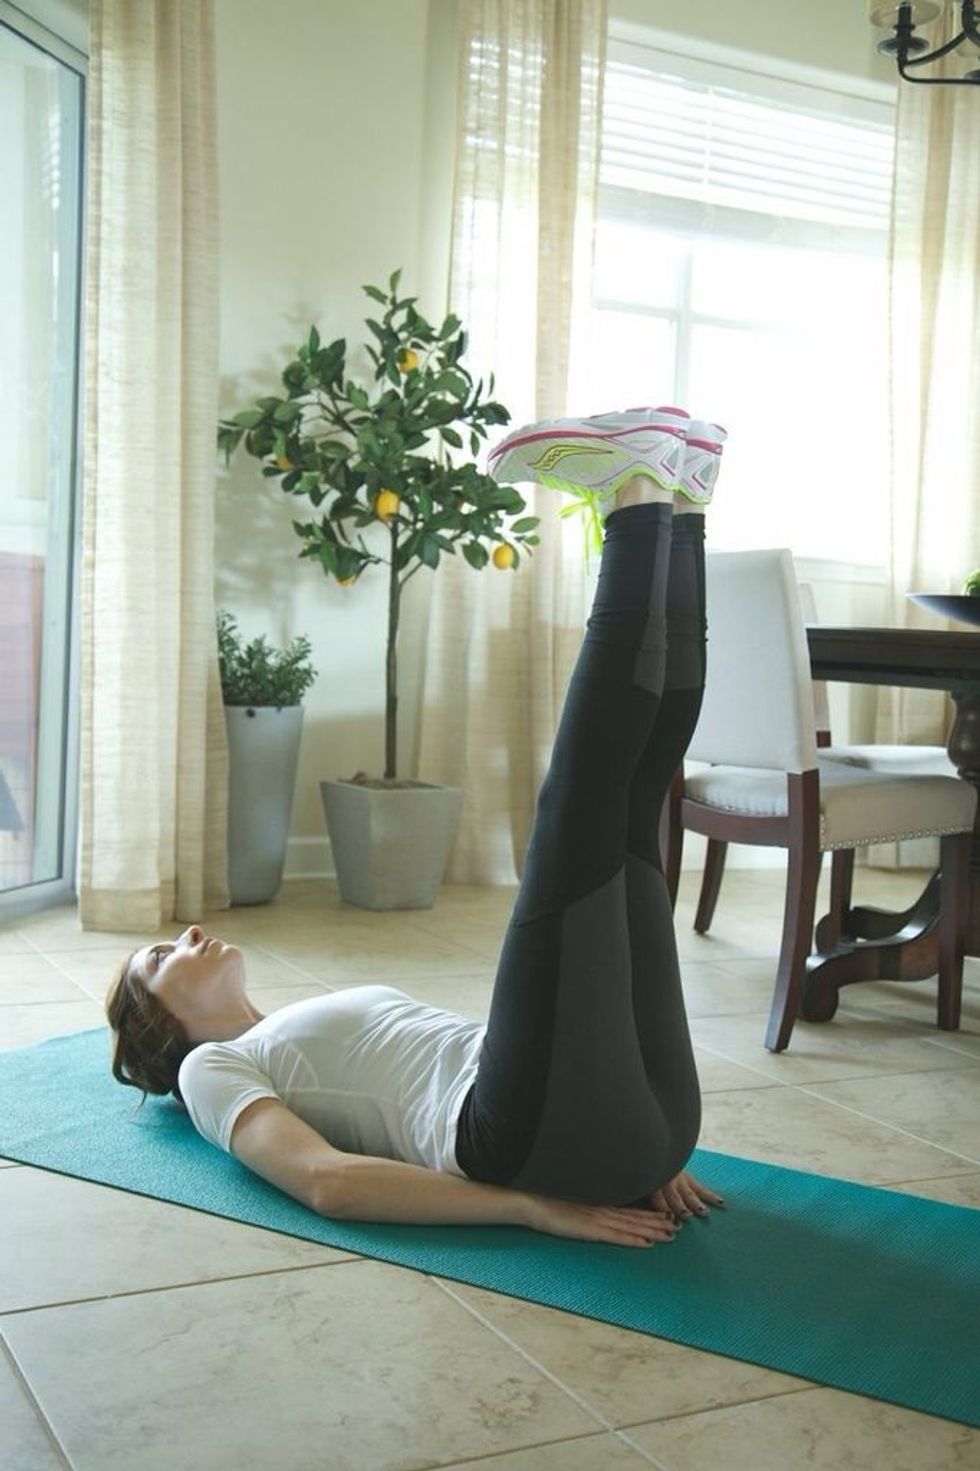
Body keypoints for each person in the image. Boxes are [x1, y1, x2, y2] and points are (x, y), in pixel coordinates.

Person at [106, 405, 728, 1250]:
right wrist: (530, 1204)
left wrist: (627, 1129)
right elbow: (327, 1182)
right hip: (530, 1137)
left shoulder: (274, 1039)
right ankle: (630, 499)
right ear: (157, 1022)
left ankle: (676, 510)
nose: (183, 934)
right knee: (581, 811)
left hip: (627, 1127)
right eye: (160, 958)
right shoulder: (209, 1069)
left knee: (627, 805)